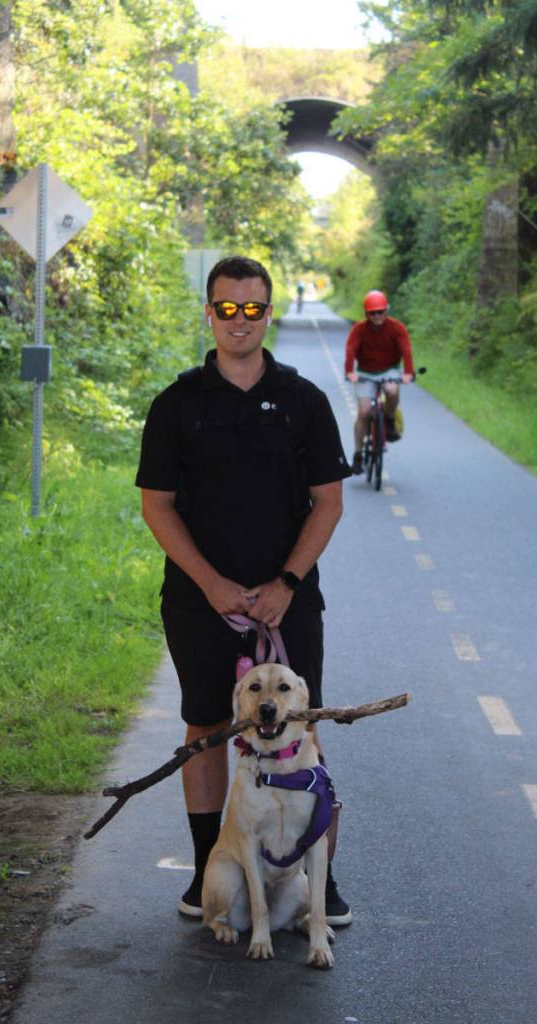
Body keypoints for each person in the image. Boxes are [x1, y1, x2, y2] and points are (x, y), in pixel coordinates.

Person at [136, 255, 352, 926]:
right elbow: (157, 506)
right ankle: (211, 871)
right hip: (200, 601)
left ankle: (321, 881)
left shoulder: (303, 401)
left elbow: (327, 502)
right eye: (226, 308)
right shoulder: (176, 404)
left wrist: (285, 582)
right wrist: (211, 584)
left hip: (289, 600)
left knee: (299, 729)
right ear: (209, 312)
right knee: (205, 726)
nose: (239, 320)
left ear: (267, 312)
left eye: (252, 309)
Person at [344, 289, 415, 475]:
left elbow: (406, 350)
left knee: (392, 391)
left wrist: (408, 373)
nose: (377, 316)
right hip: (365, 371)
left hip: (389, 369)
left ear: (387, 311)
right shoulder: (359, 329)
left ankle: (389, 419)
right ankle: (358, 455)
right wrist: (349, 371)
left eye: (380, 311)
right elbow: (350, 350)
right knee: (364, 411)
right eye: (372, 312)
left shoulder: (397, 328)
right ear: (366, 314)